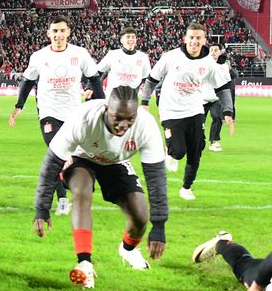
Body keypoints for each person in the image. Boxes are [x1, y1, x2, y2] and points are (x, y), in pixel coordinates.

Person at [31, 87, 169, 289]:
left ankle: (128, 249)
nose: (123, 125)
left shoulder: (146, 126)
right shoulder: (84, 118)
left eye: (129, 119)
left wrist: (159, 226)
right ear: (106, 109)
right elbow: (51, 163)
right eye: (117, 118)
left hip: (116, 163)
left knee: (140, 216)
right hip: (81, 157)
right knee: (81, 191)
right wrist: (42, 208)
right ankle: (84, 262)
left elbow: (156, 177)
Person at [8, 16, 102, 214]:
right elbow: (27, 81)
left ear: (68, 32)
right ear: (48, 33)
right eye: (54, 31)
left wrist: (101, 105)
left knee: (75, 157)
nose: (58, 35)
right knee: (58, 153)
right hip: (48, 113)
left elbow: (94, 78)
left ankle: (71, 191)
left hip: (74, 114)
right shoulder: (39, 56)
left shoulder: (80, 54)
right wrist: (19, 105)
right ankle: (62, 200)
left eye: (62, 31)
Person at [141, 21, 234, 201]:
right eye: (191, 37)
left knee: (197, 149)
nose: (194, 41)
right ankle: (170, 151)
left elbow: (223, 88)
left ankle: (186, 187)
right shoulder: (171, 57)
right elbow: (152, 78)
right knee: (179, 152)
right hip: (171, 110)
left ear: (204, 40)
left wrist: (228, 111)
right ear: (185, 38)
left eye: (198, 38)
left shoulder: (209, 63)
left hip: (194, 109)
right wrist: (145, 101)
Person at [96, 29, 152, 93]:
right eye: (128, 37)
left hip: (132, 99)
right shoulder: (112, 54)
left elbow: (146, 77)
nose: (131, 39)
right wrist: (90, 88)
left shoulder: (143, 57)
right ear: (121, 40)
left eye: (133, 37)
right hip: (112, 98)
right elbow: (98, 72)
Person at [206, 42, 235, 152]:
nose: (213, 52)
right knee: (197, 121)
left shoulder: (224, 66)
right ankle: (197, 140)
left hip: (216, 97)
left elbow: (226, 85)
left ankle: (214, 141)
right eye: (211, 50)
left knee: (217, 117)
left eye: (215, 50)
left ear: (220, 52)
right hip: (200, 98)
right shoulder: (202, 63)